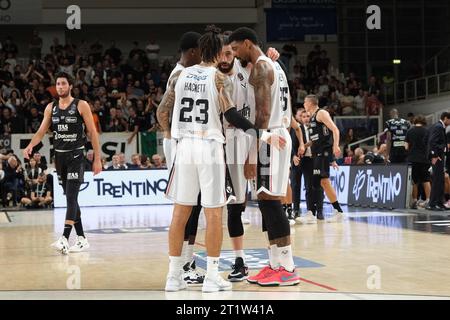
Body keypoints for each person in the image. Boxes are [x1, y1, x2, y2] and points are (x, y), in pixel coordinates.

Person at [159, 26, 265, 293]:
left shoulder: (179, 76)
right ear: (218, 52)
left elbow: (162, 112)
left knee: (180, 213)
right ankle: (212, 277)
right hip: (209, 147)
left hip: (184, 147)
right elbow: (230, 114)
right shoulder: (219, 79)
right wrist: (259, 133)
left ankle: (173, 276)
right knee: (214, 213)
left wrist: (173, 137)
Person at [229, 27, 300, 287]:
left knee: (271, 202)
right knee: (266, 201)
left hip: (270, 137)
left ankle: (289, 267)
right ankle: (274, 265)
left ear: (247, 44)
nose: (235, 55)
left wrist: (250, 154)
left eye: (236, 49)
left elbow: (260, 115)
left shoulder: (261, 68)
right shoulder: (274, 64)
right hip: (275, 133)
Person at [23, 72, 102, 254]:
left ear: (70, 86)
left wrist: (97, 158)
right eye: (58, 84)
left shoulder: (81, 105)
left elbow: (92, 132)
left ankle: (65, 238)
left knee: (71, 197)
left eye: (63, 83)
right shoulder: (51, 107)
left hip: (76, 156)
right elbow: (41, 131)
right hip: (59, 158)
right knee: (70, 197)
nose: (60, 87)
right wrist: (30, 146)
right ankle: (82, 239)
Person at [302, 95, 344, 222]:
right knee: (319, 182)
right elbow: (316, 138)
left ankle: (337, 211)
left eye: (305, 102)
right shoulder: (313, 117)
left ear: (310, 103)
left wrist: (336, 146)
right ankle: (316, 212)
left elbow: (335, 129)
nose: (304, 104)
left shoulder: (321, 113)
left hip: (324, 152)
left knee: (323, 182)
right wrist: (303, 146)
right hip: (316, 153)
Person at [405, 115, 431, 209]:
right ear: (424, 121)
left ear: (415, 121)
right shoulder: (427, 131)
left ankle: (415, 201)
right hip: (424, 159)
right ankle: (428, 200)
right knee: (426, 179)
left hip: (413, 159)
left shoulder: (410, 131)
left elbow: (406, 147)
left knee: (414, 181)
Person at [426, 112, 450, 211]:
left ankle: (439, 202)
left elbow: (425, 140)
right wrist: (434, 155)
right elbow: (432, 142)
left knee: (440, 180)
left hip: (439, 156)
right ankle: (432, 203)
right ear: (445, 118)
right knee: (437, 181)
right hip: (437, 157)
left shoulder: (435, 126)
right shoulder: (439, 127)